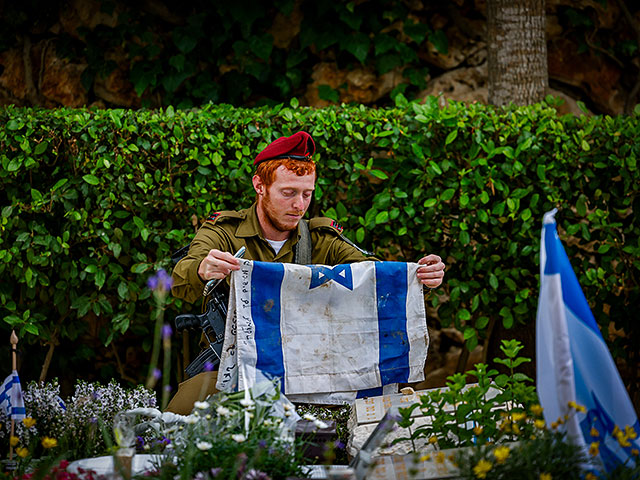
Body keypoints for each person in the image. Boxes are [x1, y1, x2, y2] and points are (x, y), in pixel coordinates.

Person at [166, 131, 445, 414]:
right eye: (288, 193)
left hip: (314, 374)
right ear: (260, 186)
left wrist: (420, 277)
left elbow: (372, 276)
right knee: (174, 422)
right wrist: (203, 269)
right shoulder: (224, 233)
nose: (299, 205)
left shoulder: (321, 238)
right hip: (236, 370)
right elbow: (181, 280)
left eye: (307, 194)